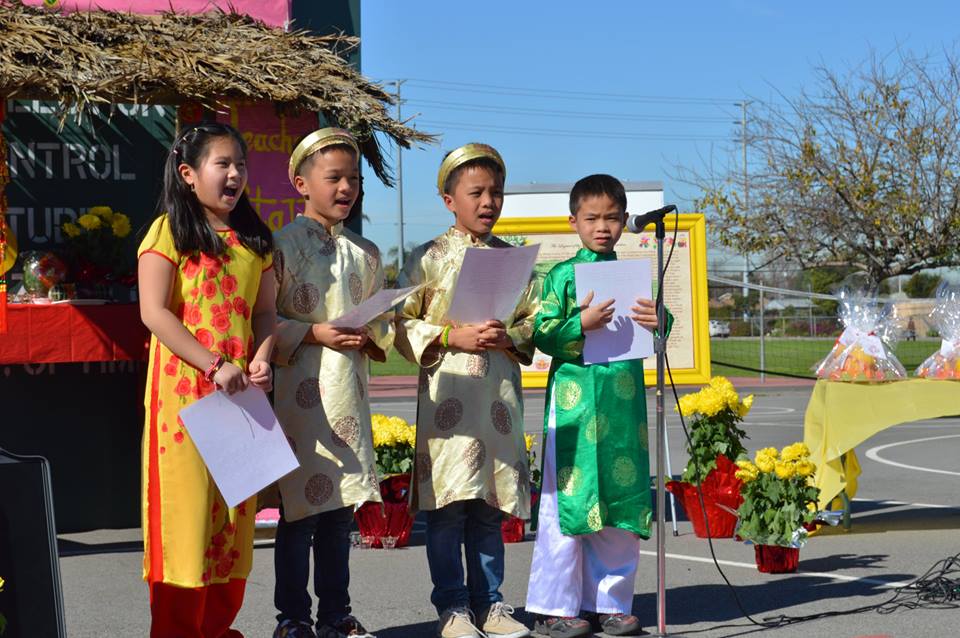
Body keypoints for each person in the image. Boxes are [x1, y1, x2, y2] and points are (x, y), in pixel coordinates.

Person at [137, 121, 276, 637]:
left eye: (241, 165)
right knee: (186, 522)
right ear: (188, 174)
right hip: (185, 404)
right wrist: (213, 365)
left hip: (240, 402)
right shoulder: (169, 233)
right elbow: (155, 313)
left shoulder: (255, 240)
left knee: (233, 526)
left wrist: (262, 357)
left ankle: (219, 629)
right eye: (223, 164)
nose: (235, 174)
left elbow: (266, 315)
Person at [395, 143, 538, 638]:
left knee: (488, 509)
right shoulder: (426, 260)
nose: (488, 202)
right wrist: (449, 336)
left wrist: (512, 336)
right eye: (475, 192)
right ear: (447, 199)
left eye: (495, 192)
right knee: (448, 510)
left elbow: (532, 322)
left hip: (496, 404)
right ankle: (453, 608)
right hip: (447, 408)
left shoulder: (515, 261)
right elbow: (400, 323)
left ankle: (491, 605)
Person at [524, 174, 671, 638]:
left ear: (625, 222)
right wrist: (579, 323)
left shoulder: (633, 276)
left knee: (621, 502)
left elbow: (655, 329)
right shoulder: (562, 275)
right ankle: (555, 607)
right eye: (592, 218)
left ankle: (609, 604)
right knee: (566, 504)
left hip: (622, 406)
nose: (602, 227)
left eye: (611, 217)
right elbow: (542, 331)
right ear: (574, 222)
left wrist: (659, 318)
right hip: (574, 408)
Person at [270, 128, 393, 638]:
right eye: (334, 177)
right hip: (300, 399)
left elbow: (383, 326)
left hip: (348, 395)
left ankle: (337, 615)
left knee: (340, 516)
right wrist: (315, 331)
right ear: (301, 183)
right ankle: (293, 618)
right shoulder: (279, 246)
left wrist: (370, 335)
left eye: (354, 180)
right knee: (299, 516)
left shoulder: (366, 253)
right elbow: (262, 323)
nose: (346, 188)